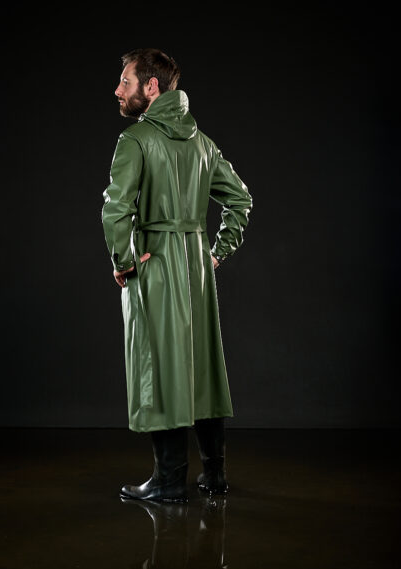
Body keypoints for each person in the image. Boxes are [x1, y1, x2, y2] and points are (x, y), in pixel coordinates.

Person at [101, 48, 253, 503]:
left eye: (126, 81)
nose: (118, 89)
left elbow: (115, 208)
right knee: (201, 364)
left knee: (159, 363)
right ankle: (214, 474)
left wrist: (124, 261)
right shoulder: (203, 142)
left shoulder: (135, 139)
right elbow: (240, 200)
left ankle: (169, 481)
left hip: (157, 262)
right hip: (195, 268)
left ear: (151, 87)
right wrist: (214, 254)